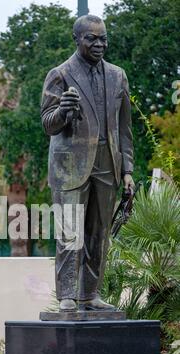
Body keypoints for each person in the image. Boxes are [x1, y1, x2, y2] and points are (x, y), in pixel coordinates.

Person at [41, 15, 135, 312]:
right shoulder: (60, 74)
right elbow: (47, 124)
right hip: (70, 166)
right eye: (92, 39)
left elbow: (124, 128)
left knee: (98, 234)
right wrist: (63, 113)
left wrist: (128, 170)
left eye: (103, 38)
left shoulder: (118, 75)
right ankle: (67, 295)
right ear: (77, 39)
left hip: (108, 164)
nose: (99, 44)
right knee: (70, 233)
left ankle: (89, 295)